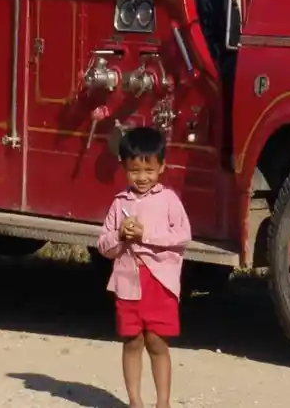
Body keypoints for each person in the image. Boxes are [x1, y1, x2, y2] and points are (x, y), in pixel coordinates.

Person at [96, 126, 191, 408]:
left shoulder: (169, 200)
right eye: (135, 171)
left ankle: (163, 403)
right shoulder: (119, 204)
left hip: (160, 284)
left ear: (162, 167)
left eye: (149, 170)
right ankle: (134, 401)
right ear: (124, 167)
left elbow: (183, 236)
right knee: (132, 342)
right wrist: (120, 236)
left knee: (157, 342)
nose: (142, 177)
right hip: (127, 284)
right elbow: (104, 246)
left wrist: (145, 236)